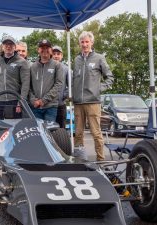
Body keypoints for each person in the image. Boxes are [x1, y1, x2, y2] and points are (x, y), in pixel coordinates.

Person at [72, 31, 114, 161]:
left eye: (87, 42)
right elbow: (74, 79)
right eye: (82, 42)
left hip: (93, 102)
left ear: (92, 43)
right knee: (78, 134)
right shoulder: (77, 59)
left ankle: (100, 160)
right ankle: (81, 160)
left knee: (96, 133)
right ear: (79, 43)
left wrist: (98, 89)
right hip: (78, 103)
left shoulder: (99, 58)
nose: (84, 44)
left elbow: (110, 78)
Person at [0, 35, 30, 119]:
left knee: (15, 128)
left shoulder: (22, 62)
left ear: (15, 47)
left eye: (11, 44)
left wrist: (21, 102)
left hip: (15, 100)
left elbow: (25, 83)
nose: (8, 46)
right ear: (2, 46)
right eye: (6, 44)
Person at [29, 39, 63, 122]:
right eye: (42, 48)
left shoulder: (57, 65)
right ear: (38, 50)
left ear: (51, 50)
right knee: (37, 132)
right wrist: (33, 100)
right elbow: (28, 86)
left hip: (50, 107)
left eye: (47, 48)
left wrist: (44, 100)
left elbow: (58, 84)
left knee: (49, 132)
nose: (45, 50)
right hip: (35, 106)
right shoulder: (32, 66)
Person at [52, 45, 69, 128]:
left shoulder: (66, 69)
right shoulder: (46, 68)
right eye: (54, 53)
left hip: (60, 105)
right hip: (49, 106)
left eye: (58, 54)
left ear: (61, 56)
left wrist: (64, 95)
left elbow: (71, 85)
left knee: (61, 129)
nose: (56, 56)